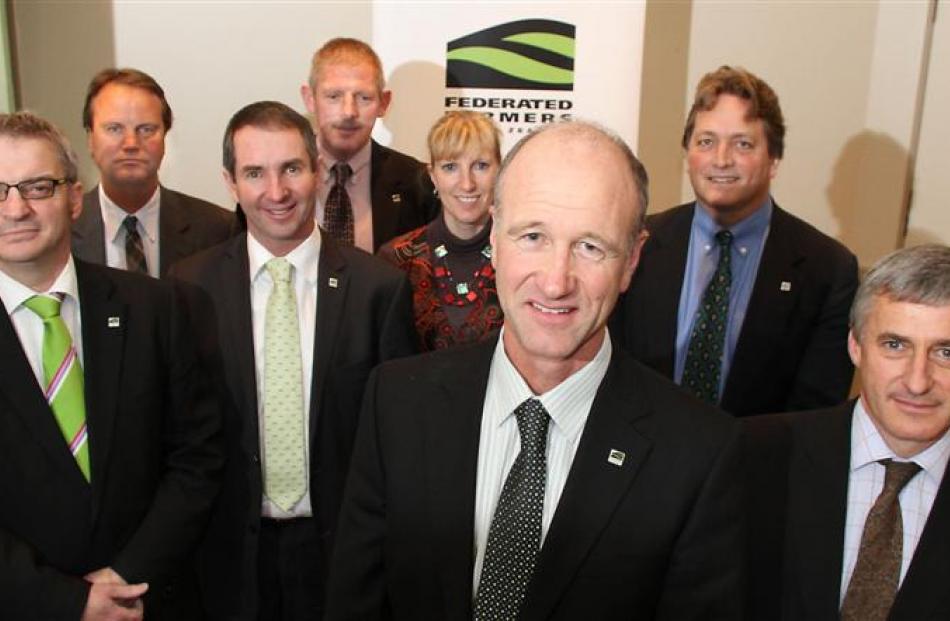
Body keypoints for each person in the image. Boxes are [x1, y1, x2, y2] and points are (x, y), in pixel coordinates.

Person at [325, 121, 742, 619]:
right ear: (495, 236)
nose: (555, 280)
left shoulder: (699, 454)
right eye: (533, 236)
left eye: (590, 246)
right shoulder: (397, 405)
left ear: (631, 260)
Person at [170, 101, 416, 621]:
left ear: (318, 171)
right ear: (230, 182)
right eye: (255, 173)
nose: (276, 192)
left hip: (340, 556)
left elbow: (399, 440)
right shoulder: (189, 288)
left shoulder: (379, 290)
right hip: (228, 556)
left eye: (291, 169)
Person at [0, 112, 223, 620]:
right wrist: (69, 601)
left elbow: (198, 457)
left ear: (74, 199)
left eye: (37, 186)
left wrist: (125, 576)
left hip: (148, 599)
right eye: (0, 190)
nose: (17, 208)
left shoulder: (155, 308)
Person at [612, 65, 858, 416]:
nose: (721, 159)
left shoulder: (828, 270)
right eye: (706, 142)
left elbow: (814, 414)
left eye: (742, 144)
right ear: (687, 154)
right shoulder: (639, 243)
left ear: (773, 159)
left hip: (759, 464)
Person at [743, 244, 950, 620]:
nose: (918, 381)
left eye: (945, 353)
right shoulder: (753, 457)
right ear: (855, 346)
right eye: (895, 345)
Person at [73, 68, 237, 277]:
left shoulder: (219, 229)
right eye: (114, 129)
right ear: (90, 138)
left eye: (146, 129)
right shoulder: (63, 231)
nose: (131, 143)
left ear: (164, 138)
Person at [377, 111, 503, 351]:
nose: (467, 183)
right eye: (450, 167)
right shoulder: (396, 259)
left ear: (499, 171)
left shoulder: (522, 254)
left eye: (481, 166)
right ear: (433, 175)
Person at [300, 37, 439, 253]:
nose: (349, 112)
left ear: (384, 103)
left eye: (364, 98)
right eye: (334, 96)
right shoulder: (277, 178)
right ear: (310, 99)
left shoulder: (417, 183)